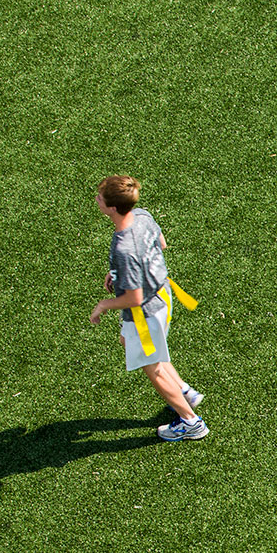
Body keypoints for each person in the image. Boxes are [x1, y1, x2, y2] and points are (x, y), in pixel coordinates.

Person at [88, 176, 208, 441]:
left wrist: (103, 305)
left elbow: (133, 297)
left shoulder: (124, 247)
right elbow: (161, 244)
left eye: (100, 198)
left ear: (112, 208)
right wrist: (119, 273)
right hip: (163, 294)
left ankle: (191, 423)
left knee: (152, 368)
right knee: (129, 342)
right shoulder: (142, 215)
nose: (96, 200)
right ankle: (186, 392)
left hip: (144, 313)